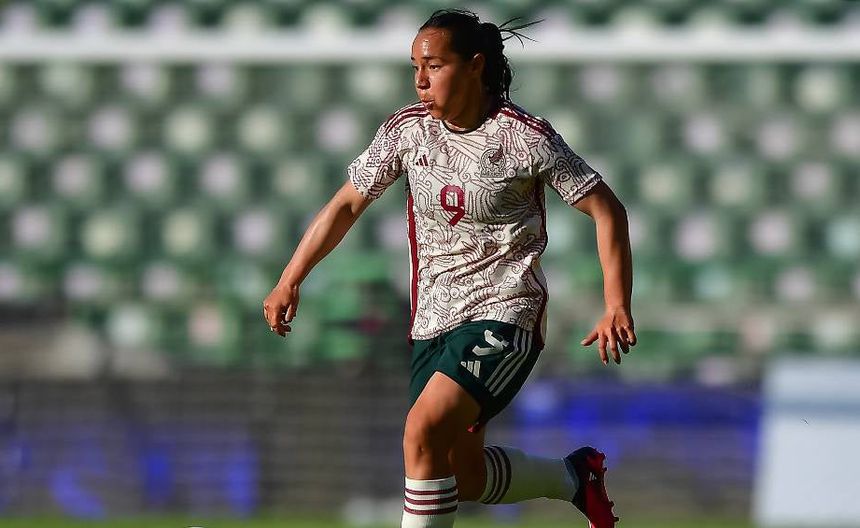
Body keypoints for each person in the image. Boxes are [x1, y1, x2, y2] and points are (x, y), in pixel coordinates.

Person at [263, 9, 636, 528]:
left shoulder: (525, 137)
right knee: (462, 475)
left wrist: (616, 302)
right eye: (415, 67)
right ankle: (574, 478)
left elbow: (606, 208)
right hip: (433, 320)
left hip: (505, 312)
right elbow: (347, 203)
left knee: (421, 432)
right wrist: (290, 279)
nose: (420, 79)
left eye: (434, 66)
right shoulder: (407, 130)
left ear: (475, 65)